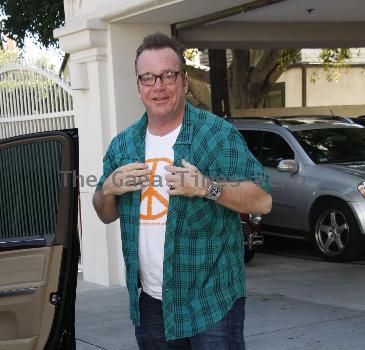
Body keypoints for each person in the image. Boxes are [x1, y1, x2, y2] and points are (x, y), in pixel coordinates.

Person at [93, 32, 272, 350]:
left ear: (185, 82)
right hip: (150, 302)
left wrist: (207, 187)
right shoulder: (124, 145)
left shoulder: (217, 135)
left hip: (210, 299)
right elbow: (105, 213)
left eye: (168, 75)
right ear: (138, 86)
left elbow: (262, 199)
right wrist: (107, 189)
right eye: (148, 77)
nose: (158, 86)